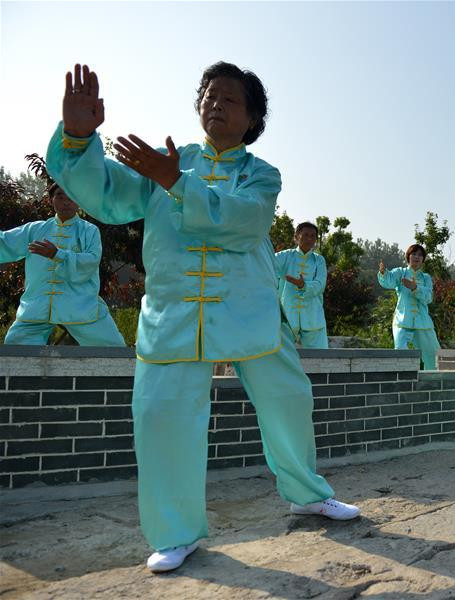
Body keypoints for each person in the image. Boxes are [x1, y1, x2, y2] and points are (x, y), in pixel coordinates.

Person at [46, 62, 358, 574]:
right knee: (161, 416)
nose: (216, 103)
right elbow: (107, 194)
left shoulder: (260, 173)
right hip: (172, 311)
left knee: (288, 398)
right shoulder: (168, 162)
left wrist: (176, 183)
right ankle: (175, 532)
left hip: (249, 308)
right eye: (210, 95)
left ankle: (306, 493)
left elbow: (244, 221)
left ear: (253, 118)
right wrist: (79, 141)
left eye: (231, 99)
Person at [1, 182, 126, 346]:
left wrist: (57, 254)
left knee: (113, 347)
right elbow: (4, 242)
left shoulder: (89, 231)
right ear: (51, 200)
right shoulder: (34, 230)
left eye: (72, 197)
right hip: (37, 305)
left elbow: (91, 261)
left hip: (80, 305)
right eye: (60, 196)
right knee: (15, 348)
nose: (66, 201)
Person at [378, 244, 440, 369]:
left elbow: (428, 297)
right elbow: (389, 280)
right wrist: (383, 273)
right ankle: (404, 381)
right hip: (403, 320)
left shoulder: (426, 278)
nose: (417, 257)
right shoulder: (401, 273)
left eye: (420, 255)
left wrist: (415, 288)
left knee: (433, 355)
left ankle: (434, 381)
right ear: (408, 257)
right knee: (401, 352)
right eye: (414, 254)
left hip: (422, 322)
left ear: (423, 259)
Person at [275, 221, 328, 348]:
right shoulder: (285, 256)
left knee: (320, 358)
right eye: (305, 235)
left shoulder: (319, 260)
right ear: (297, 236)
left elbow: (320, 284)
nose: (309, 239)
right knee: (282, 357)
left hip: (313, 316)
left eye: (313, 236)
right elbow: (266, 266)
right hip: (287, 317)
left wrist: (303, 285)